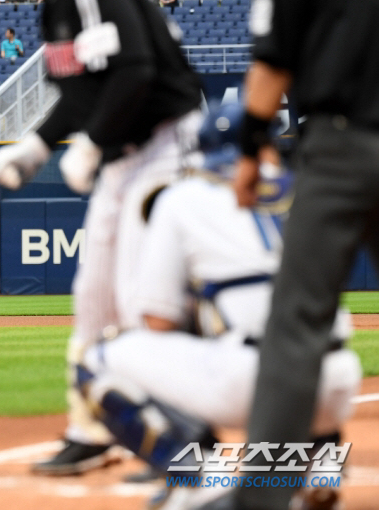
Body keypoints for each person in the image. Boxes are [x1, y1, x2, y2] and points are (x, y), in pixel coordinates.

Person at [0, 0, 202, 475]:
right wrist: (34, 148)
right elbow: (80, 96)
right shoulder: (56, 1)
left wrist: (91, 146)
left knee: (140, 299)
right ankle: (93, 427)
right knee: (93, 296)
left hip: (168, 146)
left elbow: (136, 72)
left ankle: (183, 434)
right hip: (127, 152)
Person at [198, 0, 379, 509]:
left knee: (297, 320)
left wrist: (250, 150)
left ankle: (264, 496)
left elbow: (271, 66)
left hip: (341, 146)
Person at [78, 105, 361, 510]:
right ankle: (317, 468)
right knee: (308, 341)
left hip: (255, 382)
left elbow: (158, 319)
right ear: (267, 147)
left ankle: (199, 479)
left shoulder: (184, 197)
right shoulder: (307, 188)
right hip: (337, 385)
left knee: (98, 358)